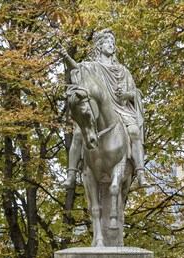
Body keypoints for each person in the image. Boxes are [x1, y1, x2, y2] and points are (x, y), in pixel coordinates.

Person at [61, 28, 146, 188]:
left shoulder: (123, 71)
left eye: (113, 42)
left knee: (134, 131)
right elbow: (77, 69)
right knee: (78, 133)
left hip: (121, 110)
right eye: (108, 42)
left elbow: (136, 93)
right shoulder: (91, 67)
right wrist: (66, 57)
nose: (111, 45)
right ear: (100, 45)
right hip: (98, 111)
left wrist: (126, 95)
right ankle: (71, 173)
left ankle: (141, 172)